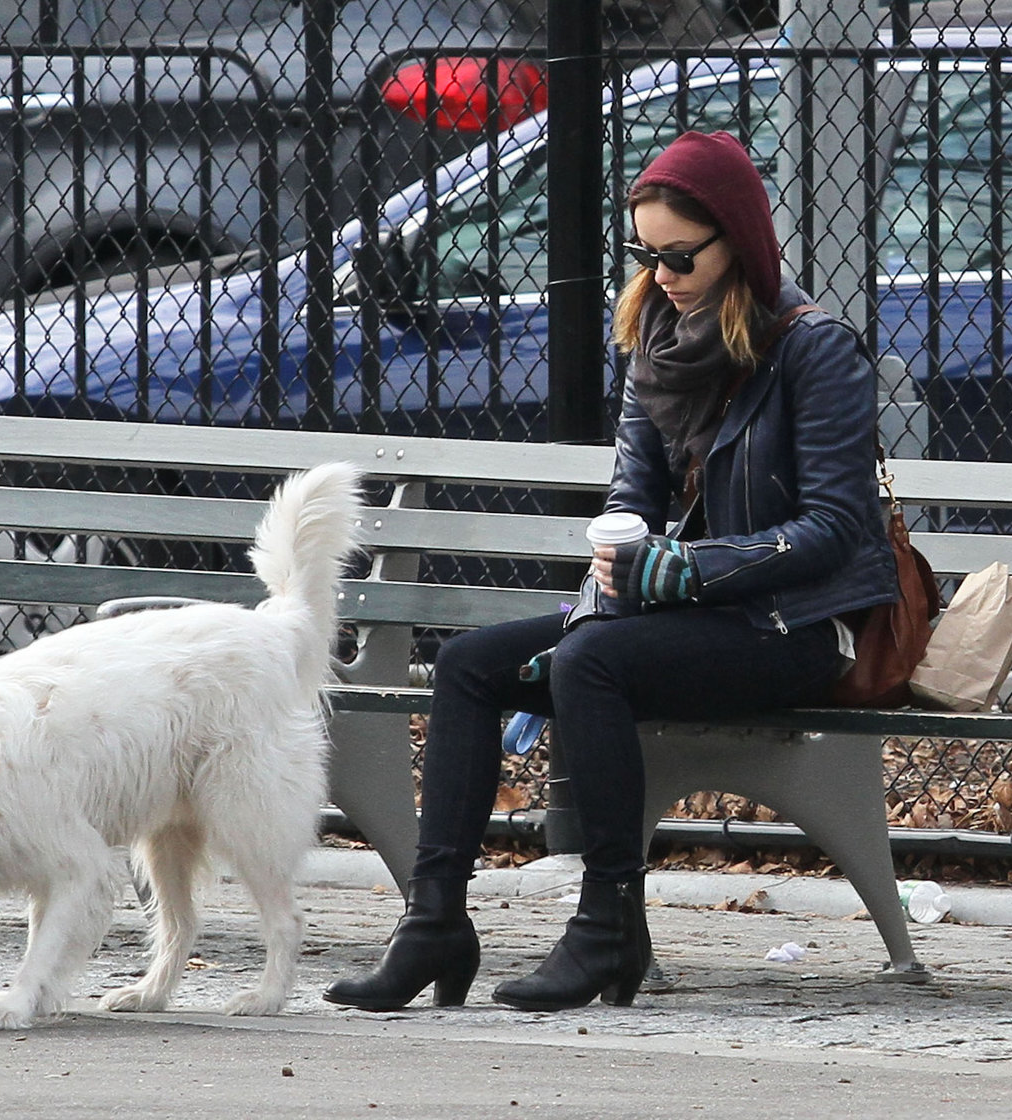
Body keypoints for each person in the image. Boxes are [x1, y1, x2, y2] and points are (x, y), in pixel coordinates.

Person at [322, 130, 898, 1014]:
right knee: (475, 665)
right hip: (681, 617)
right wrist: (611, 573)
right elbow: (631, 495)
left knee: (591, 664)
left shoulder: (812, 349)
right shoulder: (656, 338)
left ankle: (604, 929)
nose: (660, 274)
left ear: (736, 241)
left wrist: (680, 571)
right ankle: (433, 924)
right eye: (644, 253)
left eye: (678, 255)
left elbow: (832, 529)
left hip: (792, 628)